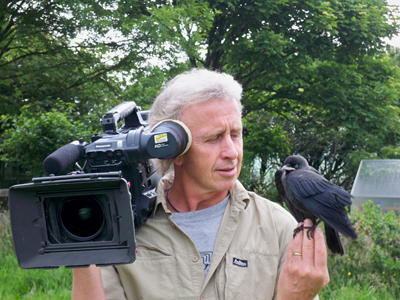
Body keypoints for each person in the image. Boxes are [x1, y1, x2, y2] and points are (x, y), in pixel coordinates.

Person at [72, 68, 329, 300]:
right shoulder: (120, 230)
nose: (232, 152)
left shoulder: (279, 228)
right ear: (173, 148)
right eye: (214, 138)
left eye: (235, 134)